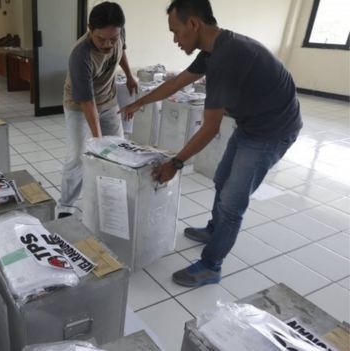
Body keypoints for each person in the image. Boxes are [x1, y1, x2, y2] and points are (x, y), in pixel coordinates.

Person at [120, 0, 302, 287]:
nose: (175, 39)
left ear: (194, 24)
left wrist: (175, 164)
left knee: (232, 202)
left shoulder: (226, 58)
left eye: (175, 31)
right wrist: (138, 103)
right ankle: (215, 229)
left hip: (272, 131)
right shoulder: (213, 48)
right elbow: (178, 82)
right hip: (251, 123)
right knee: (222, 179)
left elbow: (210, 128)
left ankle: (211, 265)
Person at [59, 1, 138, 218]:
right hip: (79, 106)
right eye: (101, 39)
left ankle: (112, 200)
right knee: (77, 156)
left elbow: (121, 51)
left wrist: (130, 76)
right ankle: (65, 207)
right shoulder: (80, 55)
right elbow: (87, 102)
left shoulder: (117, 35)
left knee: (118, 151)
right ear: (90, 29)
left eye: (112, 38)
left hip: (108, 101)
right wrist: (98, 140)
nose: (107, 44)